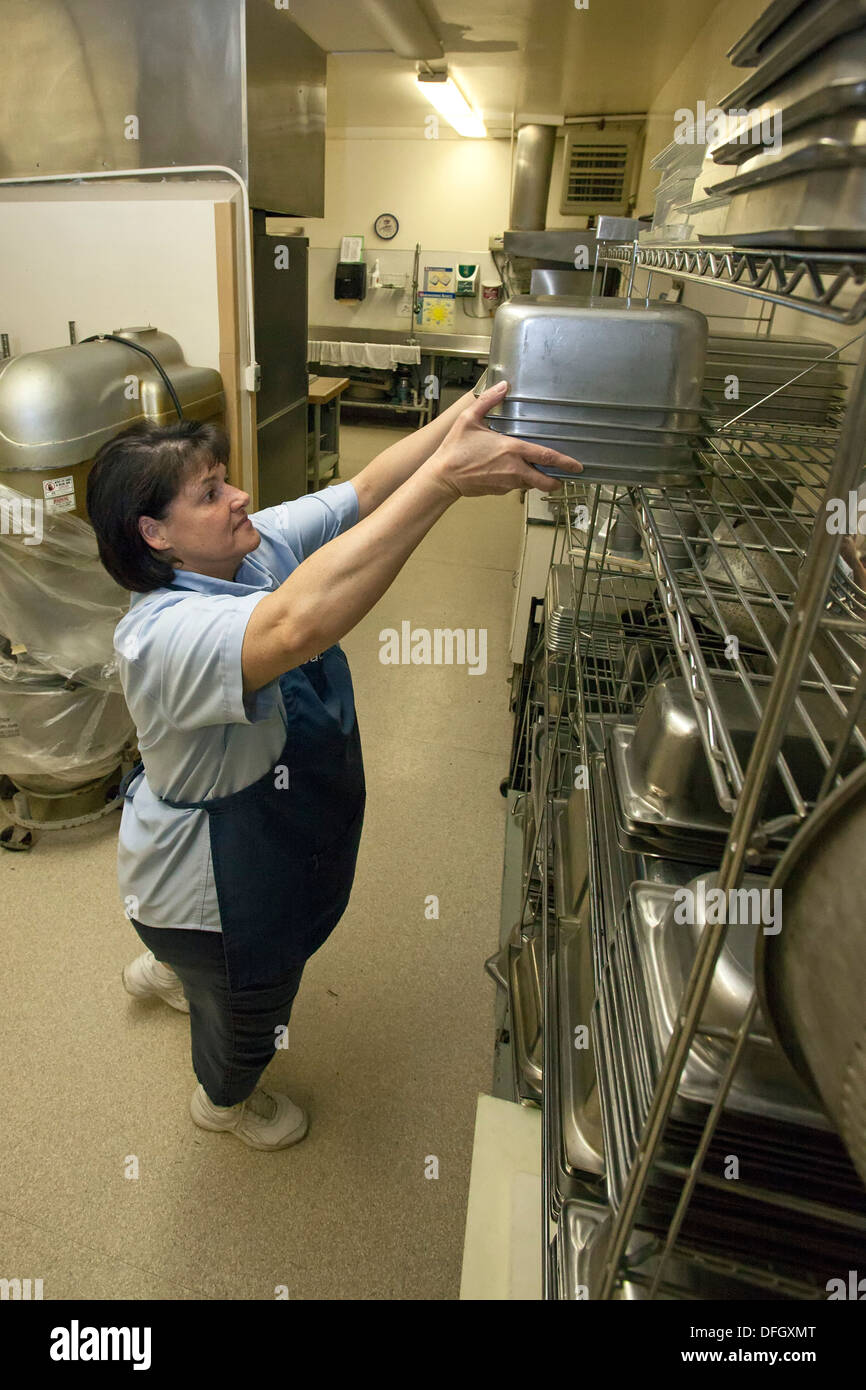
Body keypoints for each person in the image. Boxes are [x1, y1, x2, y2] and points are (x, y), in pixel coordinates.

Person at [85, 379, 581, 1150]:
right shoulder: (160, 637)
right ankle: (223, 1100)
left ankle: (171, 972)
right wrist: (449, 482)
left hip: (208, 869)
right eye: (213, 492)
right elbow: (295, 625)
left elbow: (368, 487)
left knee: (203, 965)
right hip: (212, 889)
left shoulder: (243, 557)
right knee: (252, 1000)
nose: (242, 497)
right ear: (155, 534)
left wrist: (463, 416)